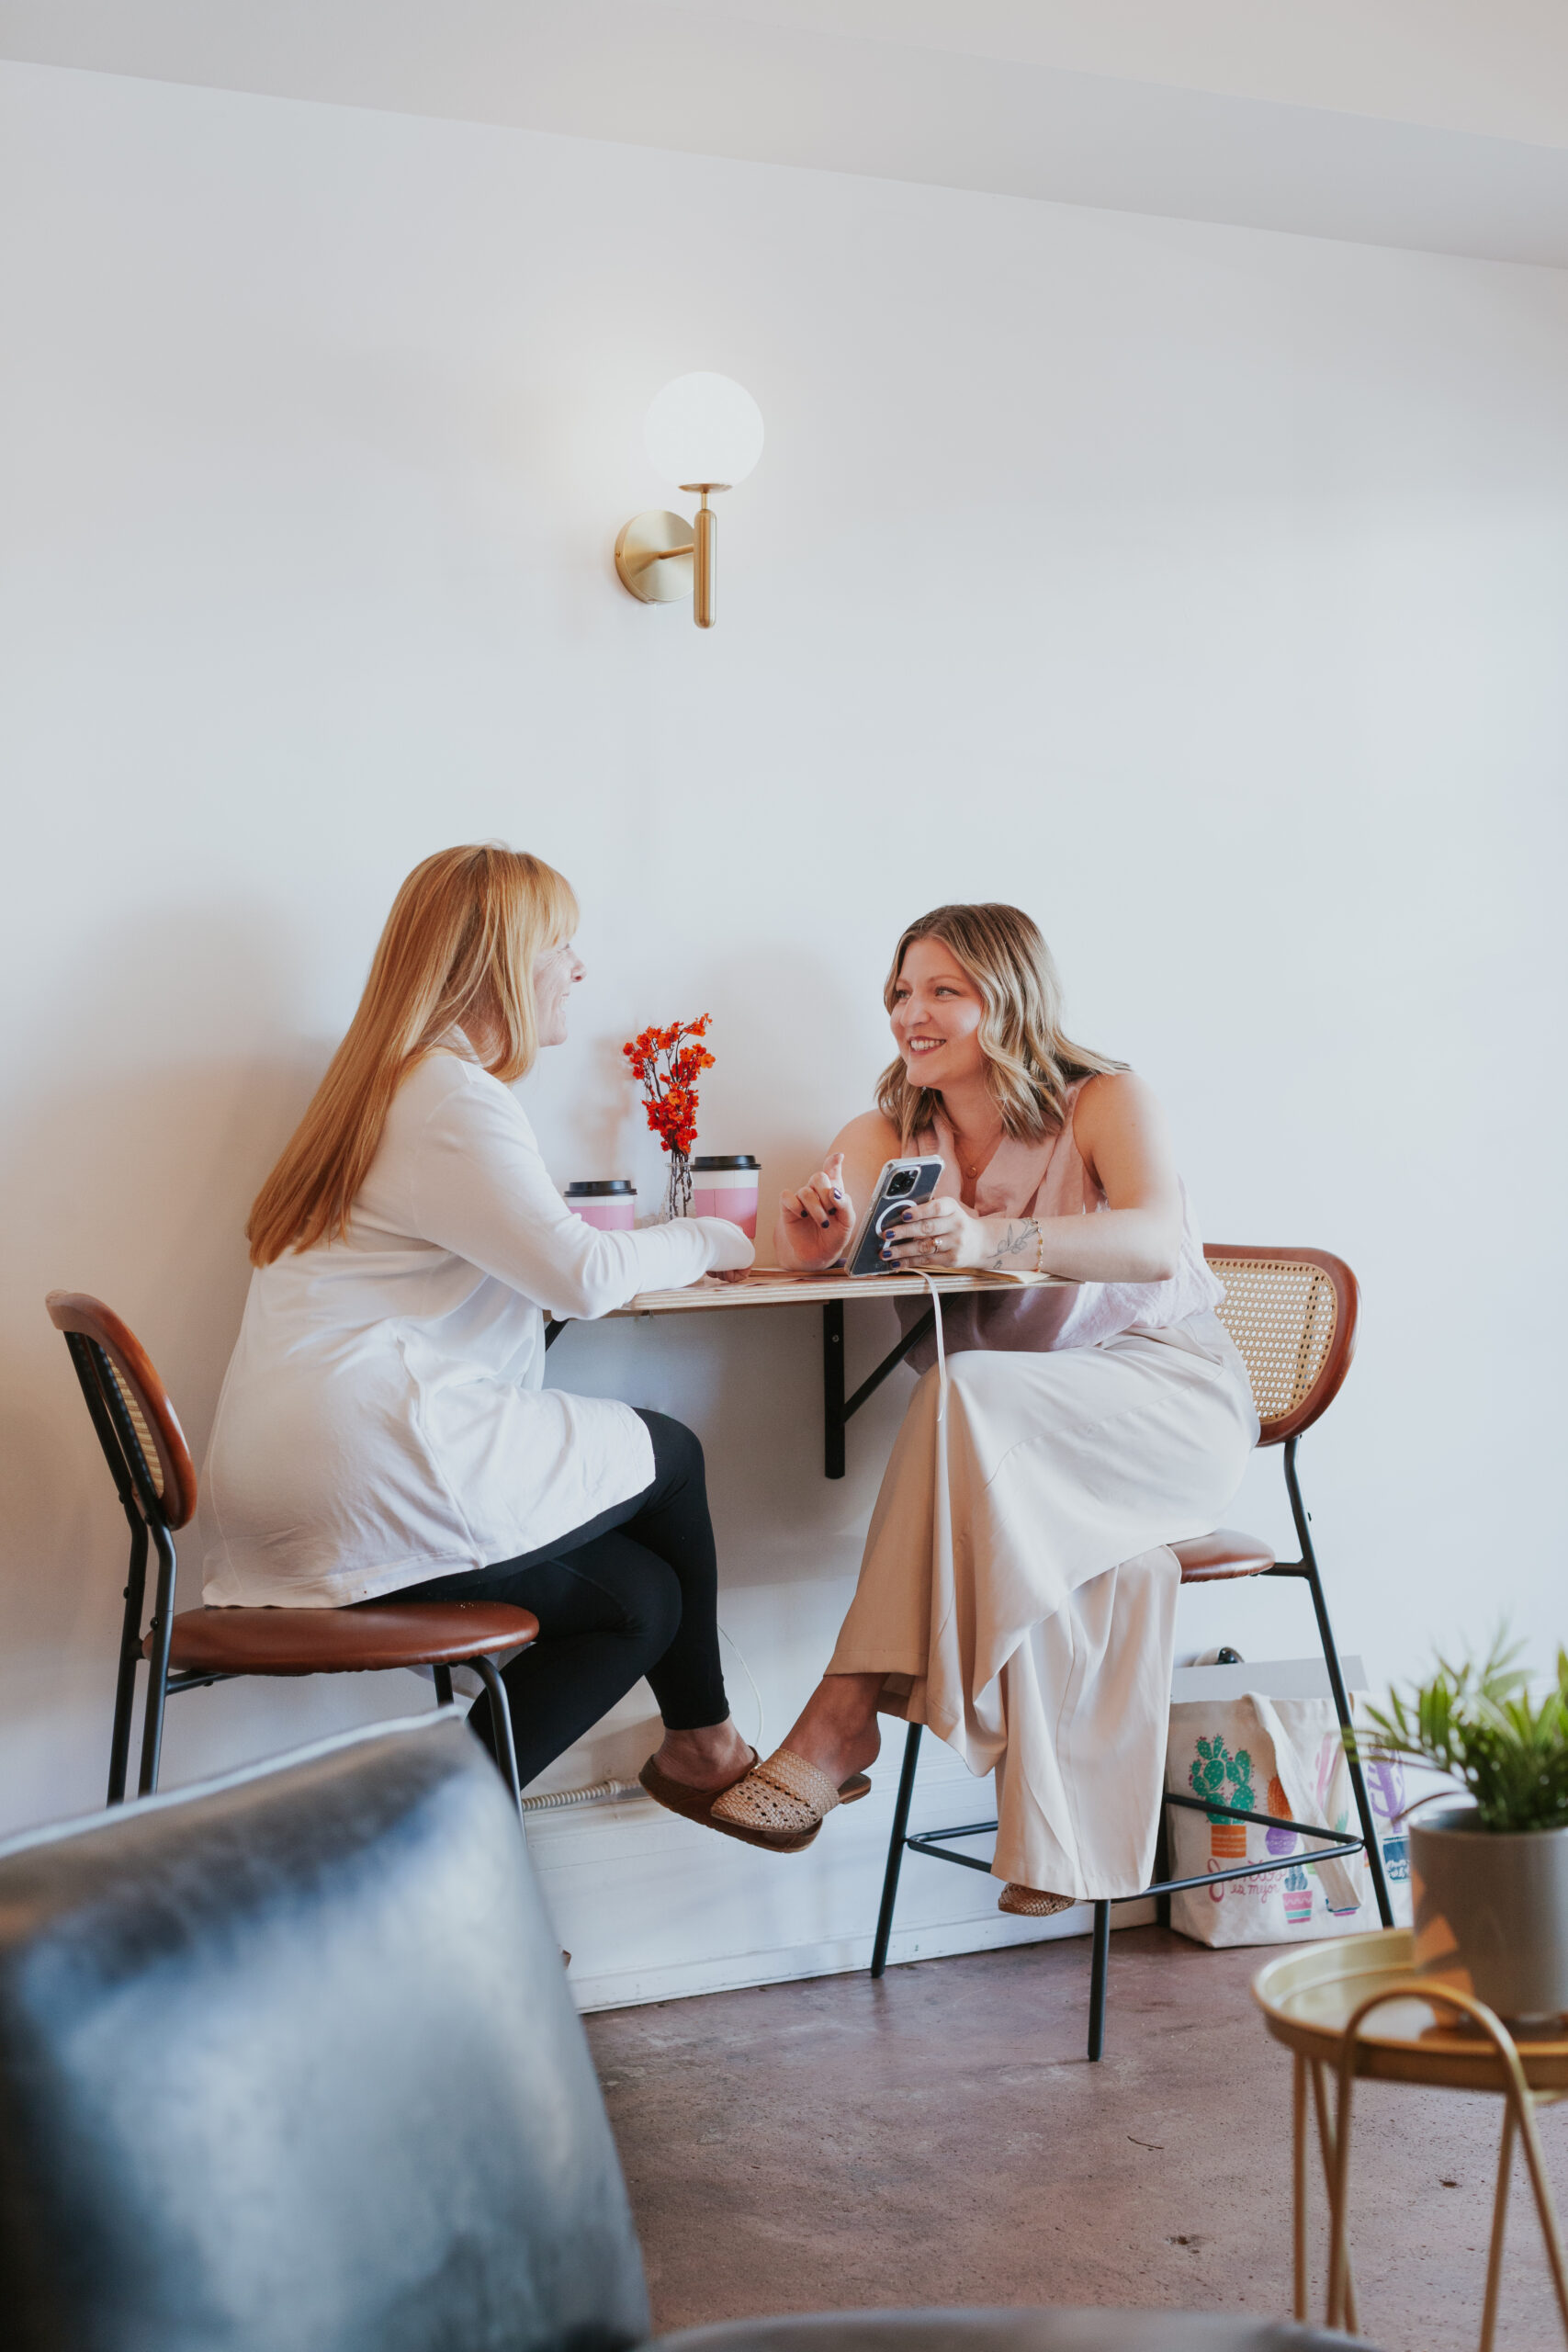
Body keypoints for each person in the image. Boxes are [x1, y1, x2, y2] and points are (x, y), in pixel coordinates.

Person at [712, 902, 1259, 1914]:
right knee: (970, 1404)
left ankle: (843, 1710)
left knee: (964, 1398)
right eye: (901, 992)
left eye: (942, 991)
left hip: (1162, 1398)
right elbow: (878, 1259)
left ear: (1008, 998)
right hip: (1001, 1427)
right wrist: (823, 1249)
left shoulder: (1104, 1099)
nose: (910, 1014)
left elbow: (1151, 1242)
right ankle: (1044, 1821)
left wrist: (992, 1241)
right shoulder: (884, 1132)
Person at [201, 842, 760, 1811]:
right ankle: (706, 1747)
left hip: (288, 1486)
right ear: (503, 958)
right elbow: (582, 1277)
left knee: (640, 1603)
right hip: (361, 1471)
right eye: (563, 945)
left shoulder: (381, 1086)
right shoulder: (450, 1095)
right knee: (671, 1451)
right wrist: (716, 1235)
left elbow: (519, 1271)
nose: (579, 969)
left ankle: (426, 1858)